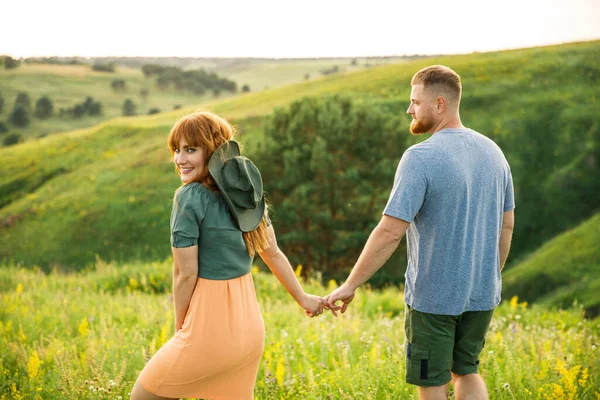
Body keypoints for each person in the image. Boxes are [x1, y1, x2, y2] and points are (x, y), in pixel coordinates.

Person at [326, 65, 515, 400]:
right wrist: (489, 277)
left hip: (433, 300)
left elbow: (389, 232)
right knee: (467, 370)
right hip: (482, 294)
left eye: (415, 101)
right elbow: (507, 224)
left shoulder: (420, 158)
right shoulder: (494, 153)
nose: (409, 109)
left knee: (433, 384)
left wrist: (350, 284)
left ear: (439, 104)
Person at [131, 111, 332, 400]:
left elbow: (185, 274)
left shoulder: (188, 197)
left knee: (143, 396)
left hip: (207, 331)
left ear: (212, 150)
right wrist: (304, 298)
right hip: (248, 331)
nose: (180, 159)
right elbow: (272, 253)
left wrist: (180, 330)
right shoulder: (246, 192)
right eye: (177, 150)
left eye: (190, 149)